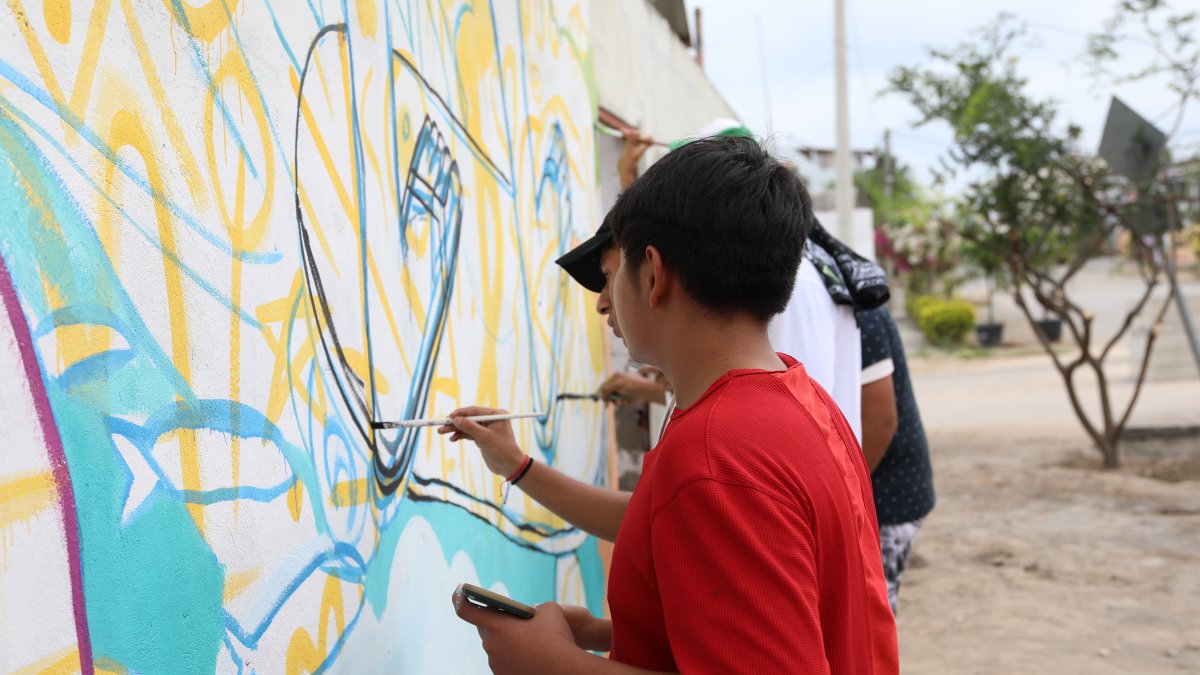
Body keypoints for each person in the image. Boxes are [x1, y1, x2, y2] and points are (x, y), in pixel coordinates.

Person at [444, 136, 898, 674]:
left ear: (654, 275)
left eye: (611, 274)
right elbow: (773, 613)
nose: (601, 301)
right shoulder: (801, 400)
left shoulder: (716, 457)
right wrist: (612, 633)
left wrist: (552, 665)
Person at [858, 305, 936, 614]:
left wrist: (845, 495)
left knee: (874, 622)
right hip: (884, 494)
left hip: (890, 497)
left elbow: (881, 421)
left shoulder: (860, 308)